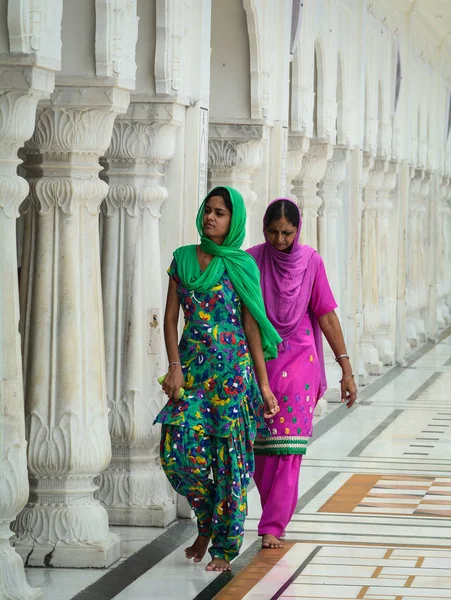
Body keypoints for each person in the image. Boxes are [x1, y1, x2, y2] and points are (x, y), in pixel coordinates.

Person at [155, 186, 281, 571]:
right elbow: (172, 319)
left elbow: (251, 327)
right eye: (208, 210)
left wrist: (262, 384)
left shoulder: (242, 266)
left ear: (234, 220)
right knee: (176, 452)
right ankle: (208, 521)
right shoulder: (182, 260)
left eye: (220, 212)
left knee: (229, 465)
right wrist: (174, 365)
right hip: (192, 374)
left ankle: (224, 548)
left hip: (233, 377)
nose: (210, 217)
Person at [247, 198, 357, 549]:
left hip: (299, 362)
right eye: (273, 232)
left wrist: (346, 367)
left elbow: (326, 315)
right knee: (262, 449)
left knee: (288, 448)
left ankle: (273, 525)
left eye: (287, 233)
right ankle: (271, 513)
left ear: (299, 230)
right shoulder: (251, 260)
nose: (280, 240)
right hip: (260, 361)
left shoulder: (311, 262)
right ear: (263, 230)